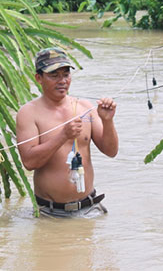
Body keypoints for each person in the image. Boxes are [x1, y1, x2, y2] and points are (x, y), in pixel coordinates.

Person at [16, 47, 118, 217]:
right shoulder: (28, 113)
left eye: (65, 74)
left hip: (90, 208)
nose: (62, 81)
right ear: (38, 78)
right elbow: (29, 162)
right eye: (54, 76)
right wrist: (63, 136)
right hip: (49, 213)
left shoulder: (85, 107)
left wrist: (108, 121)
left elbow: (111, 151)